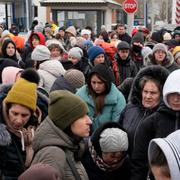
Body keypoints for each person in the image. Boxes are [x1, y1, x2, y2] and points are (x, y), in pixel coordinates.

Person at [130, 69, 180, 180]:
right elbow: (139, 162)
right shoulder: (151, 122)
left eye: (179, 94)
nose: (176, 98)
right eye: (172, 94)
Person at [31, 90, 92, 180]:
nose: (89, 121)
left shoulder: (70, 146)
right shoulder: (54, 154)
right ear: (66, 122)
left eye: (87, 115)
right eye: (82, 117)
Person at [119, 65, 169, 156]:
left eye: (153, 93)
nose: (147, 96)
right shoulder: (129, 109)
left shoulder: (165, 117)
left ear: (161, 95)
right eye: (145, 91)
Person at [0, 70, 40, 179]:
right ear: (7, 109)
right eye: (15, 113)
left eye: (24, 115)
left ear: (31, 115)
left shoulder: (36, 128)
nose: (18, 120)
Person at [76, 63, 126, 133]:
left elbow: (116, 127)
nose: (96, 86)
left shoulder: (118, 99)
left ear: (107, 83)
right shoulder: (80, 95)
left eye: (100, 83)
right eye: (93, 82)